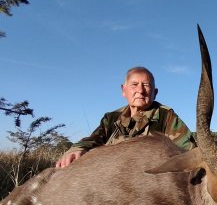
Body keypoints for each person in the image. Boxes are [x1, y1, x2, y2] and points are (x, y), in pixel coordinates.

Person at [56, 66, 196, 168]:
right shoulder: (111, 118)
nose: (140, 91)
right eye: (134, 85)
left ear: (155, 92)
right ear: (124, 90)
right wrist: (76, 149)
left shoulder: (166, 117)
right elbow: (93, 140)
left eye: (146, 85)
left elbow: (190, 152)